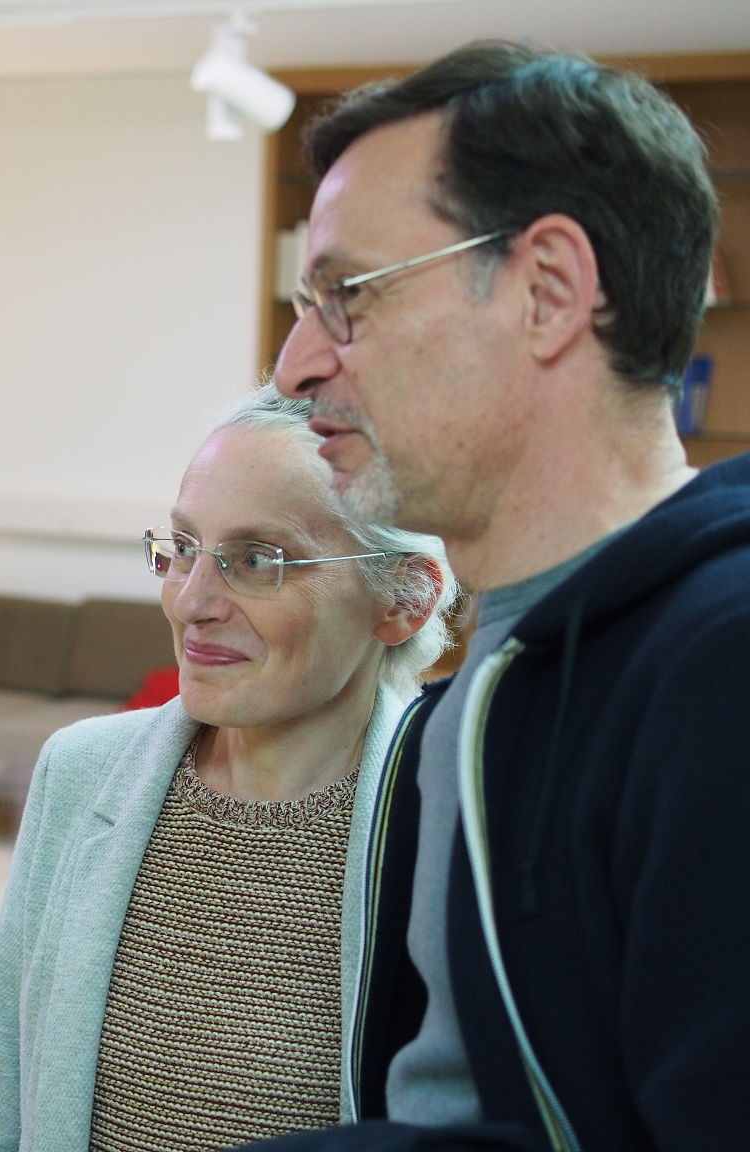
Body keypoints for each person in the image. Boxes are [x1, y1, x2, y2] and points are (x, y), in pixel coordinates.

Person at [256, 40, 742, 1152]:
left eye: (347, 296)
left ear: (547, 291)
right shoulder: (482, 688)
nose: (294, 367)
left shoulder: (724, 670)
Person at [0, 385, 455, 1152]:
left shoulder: (450, 826)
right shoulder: (80, 772)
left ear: (403, 599)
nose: (192, 602)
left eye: (256, 560)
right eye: (184, 547)